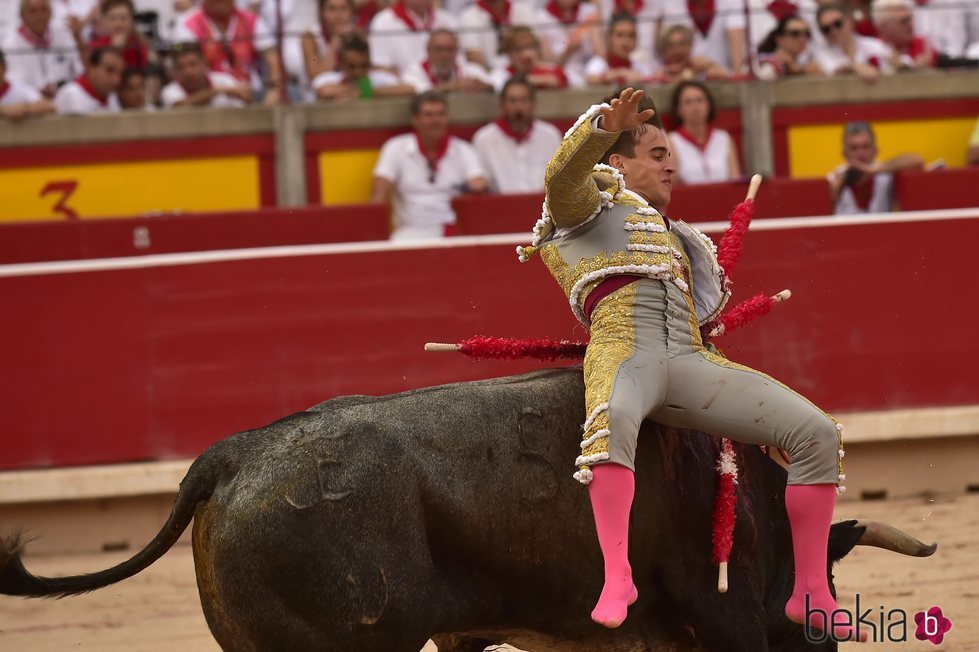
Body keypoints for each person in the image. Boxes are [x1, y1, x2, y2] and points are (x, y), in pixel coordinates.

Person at [516, 87, 863, 643]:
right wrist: (603, 127)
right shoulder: (585, 209)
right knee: (613, 425)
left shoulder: (676, 237)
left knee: (816, 432)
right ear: (617, 164)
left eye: (671, 154)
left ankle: (809, 592)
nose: (671, 164)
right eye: (656, 154)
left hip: (688, 359)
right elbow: (561, 176)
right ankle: (617, 576)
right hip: (624, 350)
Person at [370, 90, 488, 240]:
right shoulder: (395, 147)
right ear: (415, 120)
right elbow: (378, 192)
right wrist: (375, 234)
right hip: (410, 231)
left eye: (441, 114)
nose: (436, 121)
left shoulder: (464, 150)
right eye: (429, 115)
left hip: (455, 229)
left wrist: (476, 186)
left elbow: (479, 184)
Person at [173, 0, 283, 105]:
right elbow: (186, 65)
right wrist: (222, 90)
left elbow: (272, 59)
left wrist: (275, 90)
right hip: (209, 96)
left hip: (251, 91)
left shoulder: (251, 20)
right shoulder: (189, 24)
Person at [472, 76, 562, 193]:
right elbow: (481, 184)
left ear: (533, 104)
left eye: (524, 100)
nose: (518, 107)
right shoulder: (484, 139)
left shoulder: (550, 135)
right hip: (502, 208)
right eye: (512, 101)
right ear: (502, 105)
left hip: (543, 207)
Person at [828, 120, 923, 215]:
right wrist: (834, 192)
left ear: (875, 150)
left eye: (866, 147)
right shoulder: (834, 178)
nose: (860, 153)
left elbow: (917, 160)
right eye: (854, 148)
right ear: (844, 153)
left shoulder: (885, 174)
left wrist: (872, 169)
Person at [2, 0, 80, 97]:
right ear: (22, 15)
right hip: (29, 101)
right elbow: (12, 82)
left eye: (44, 10)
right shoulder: (10, 45)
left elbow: (78, 69)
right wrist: (38, 90)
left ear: (51, 13)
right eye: (33, 11)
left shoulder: (63, 35)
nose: (39, 16)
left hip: (64, 96)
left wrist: (79, 37)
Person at [668, 80, 740, 184]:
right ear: (678, 109)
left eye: (700, 100)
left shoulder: (723, 138)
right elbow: (672, 185)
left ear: (709, 105)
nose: (695, 107)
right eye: (688, 102)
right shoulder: (672, 141)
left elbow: (735, 179)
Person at [311, 33, 413, 100]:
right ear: (341, 64)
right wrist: (360, 89)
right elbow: (323, 92)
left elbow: (409, 89)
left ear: (370, 63)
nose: (358, 72)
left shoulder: (379, 79)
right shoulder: (328, 78)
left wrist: (370, 92)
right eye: (352, 66)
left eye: (364, 66)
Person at [367, 0, 457, 74]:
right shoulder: (383, 22)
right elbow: (380, 66)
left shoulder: (449, 20)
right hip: (404, 90)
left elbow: (460, 63)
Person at [659, 0, 747, 74]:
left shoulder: (730, 2)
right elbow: (671, 44)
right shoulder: (671, 4)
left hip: (721, 73)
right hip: (687, 75)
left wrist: (737, 75)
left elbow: (736, 36)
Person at [811, 4, 891, 81]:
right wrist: (855, 67)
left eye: (837, 24)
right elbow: (831, 72)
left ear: (850, 20)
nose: (833, 31)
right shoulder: (820, 52)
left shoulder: (873, 45)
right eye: (826, 29)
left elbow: (897, 64)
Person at [489, 25, 581, 91]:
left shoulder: (551, 69)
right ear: (508, 52)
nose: (525, 54)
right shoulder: (500, 74)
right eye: (519, 49)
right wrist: (533, 80)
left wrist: (541, 71)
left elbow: (579, 83)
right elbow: (499, 87)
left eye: (530, 47)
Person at [401, 28, 492, 94]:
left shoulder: (471, 70)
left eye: (449, 49)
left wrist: (483, 86)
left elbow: (494, 85)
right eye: (439, 49)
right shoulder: (414, 72)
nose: (444, 55)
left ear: (457, 51)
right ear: (428, 51)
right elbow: (420, 91)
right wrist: (452, 87)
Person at [161, 41, 251, 107]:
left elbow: (247, 101)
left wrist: (244, 93)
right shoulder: (169, 91)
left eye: (193, 64)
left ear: (204, 63)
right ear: (175, 70)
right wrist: (216, 91)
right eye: (181, 67)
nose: (187, 71)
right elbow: (180, 106)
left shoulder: (224, 79)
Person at [457, 0, 535, 70]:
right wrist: (495, 76)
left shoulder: (524, 12)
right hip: (488, 74)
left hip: (521, 71)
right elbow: (473, 55)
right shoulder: (468, 16)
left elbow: (534, 48)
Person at [533, 0, 603, 78]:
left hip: (588, 70)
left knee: (598, 64)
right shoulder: (542, 17)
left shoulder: (589, 11)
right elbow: (548, 63)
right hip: (560, 73)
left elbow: (601, 56)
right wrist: (568, 52)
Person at [299, 0, 357, 93]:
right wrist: (335, 41)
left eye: (343, 9)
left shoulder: (359, 35)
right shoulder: (311, 38)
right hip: (320, 95)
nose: (338, 15)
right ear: (322, 12)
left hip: (351, 91)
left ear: (352, 12)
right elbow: (316, 74)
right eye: (332, 9)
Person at [584, 12, 655, 86]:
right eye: (619, 35)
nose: (625, 42)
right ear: (609, 38)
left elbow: (651, 79)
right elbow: (592, 80)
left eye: (631, 36)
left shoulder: (640, 66)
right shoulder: (598, 62)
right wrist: (621, 73)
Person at [53, 44, 121, 113]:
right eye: (110, 70)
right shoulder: (71, 94)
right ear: (91, 67)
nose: (116, 79)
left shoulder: (112, 96)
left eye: (119, 73)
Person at [872, 0, 936, 70]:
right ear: (883, 27)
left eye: (910, 19)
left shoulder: (923, 46)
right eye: (903, 21)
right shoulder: (872, 53)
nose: (911, 25)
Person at [651, 24, 726, 83]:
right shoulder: (658, 73)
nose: (677, 50)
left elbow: (724, 76)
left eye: (682, 44)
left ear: (690, 45)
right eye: (671, 46)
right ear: (664, 50)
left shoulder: (701, 64)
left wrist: (712, 66)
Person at [756, 14, 822, 78]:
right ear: (779, 39)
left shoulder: (807, 63)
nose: (802, 39)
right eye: (795, 33)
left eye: (807, 34)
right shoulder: (768, 64)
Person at [0, 47, 55, 119]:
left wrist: (25, 109)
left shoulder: (18, 89)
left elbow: (49, 106)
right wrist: (4, 110)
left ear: (4, 69)